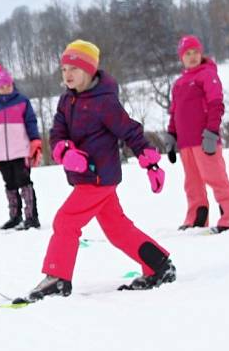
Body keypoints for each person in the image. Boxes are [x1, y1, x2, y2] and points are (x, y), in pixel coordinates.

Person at [16, 40, 175, 303]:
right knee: (117, 230)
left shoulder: (105, 102)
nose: (67, 74)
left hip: (99, 178)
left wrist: (150, 162)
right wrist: (66, 151)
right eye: (64, 69)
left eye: (74, 69)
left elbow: (130, 131)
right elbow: (57, 134)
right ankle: (159, 265)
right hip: (86, 178)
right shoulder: (66, 101)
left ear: (89, 71)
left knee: (66, 221)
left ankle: (57, 278)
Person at [166, 35, 229, 234]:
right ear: (181, 58)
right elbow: (174, 112)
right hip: (185, 143)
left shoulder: (207, 75)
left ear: (201, 54)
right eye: (187, 54)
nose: (192, 57)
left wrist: (212, 132)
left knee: (215, 178)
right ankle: (196, 219)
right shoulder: (179, 83)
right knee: (192, 183)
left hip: (204, 139)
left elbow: (216, 104)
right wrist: (171, 136)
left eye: (195, 52)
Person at [0, 64, 43, 230]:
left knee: (24, 181)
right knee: (9, 184)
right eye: (2, 86)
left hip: (21, 150)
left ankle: (31, 217)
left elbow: (31, 122)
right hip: (1, 153)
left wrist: (35, 141)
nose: (6, 88)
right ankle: (15, 217)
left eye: (8, 85)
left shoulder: (22, 102)